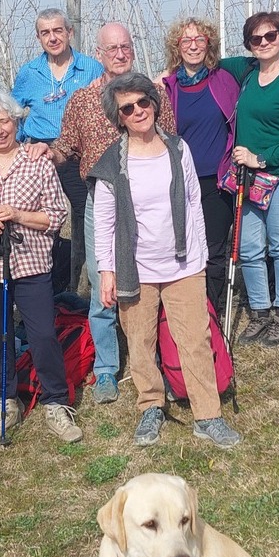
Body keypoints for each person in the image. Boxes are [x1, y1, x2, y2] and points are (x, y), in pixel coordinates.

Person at [89, 73, 241, 448]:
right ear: (119, 117)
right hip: (134, 268)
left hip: (183, 264)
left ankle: (208, 415)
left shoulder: (178, 149)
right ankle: (151, 406)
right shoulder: (112, 163)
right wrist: (106, 271)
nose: (138, 111)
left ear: (155, 104)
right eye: (128, 107)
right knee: (140, 342)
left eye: (143, 102)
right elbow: (104, 224)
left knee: (195, 339)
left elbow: (192, 201)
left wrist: (199, 253)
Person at [48, 22, 175, 404]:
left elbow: (171, 144)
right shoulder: (83, 100)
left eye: (126, 47)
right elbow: (64, 149)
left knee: (149, 281)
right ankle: (106, 367)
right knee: (102, 283)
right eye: (112, 48)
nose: (120, 54)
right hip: (99, 202)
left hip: (148, 202)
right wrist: (38, 154)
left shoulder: (154, 97)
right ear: (98, 54)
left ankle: (150, 361)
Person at [0, 92, 83, 445]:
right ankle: (4, 399)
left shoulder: (37, 163)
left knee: (41, 334)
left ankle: (56, 400)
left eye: (4, 121)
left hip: (31, 263)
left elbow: (57, 215)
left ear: (16, 121)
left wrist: (19, 216)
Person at [219, 11, 279, 346]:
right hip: (250, 175)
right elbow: (206, 61)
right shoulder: (245, 71)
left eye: (270, 36)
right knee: (248, 246)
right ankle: (259, 311)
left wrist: (261, 158)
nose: (263, 43)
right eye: (255, 39)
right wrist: (169, 74)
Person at [11, 9, 104, 292]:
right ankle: (43, 281)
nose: (53, 38)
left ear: (69, 32)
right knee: (34, 217)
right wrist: (17, 146)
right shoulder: (30, 72)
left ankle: (94, 281)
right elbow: (13, 110)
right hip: (39, 151)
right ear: (38, 37)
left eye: (58, 31)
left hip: (76, 153)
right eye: (45, 33)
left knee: (88, 212)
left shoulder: (91, 68)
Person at [159, 18, 238, 314]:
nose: (193, 46)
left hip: (217, 181)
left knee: (214, 249)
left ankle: (211, 311)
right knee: (184, 246)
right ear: (177, 48)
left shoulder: (225, 80)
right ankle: (184, 309)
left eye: (200, 40)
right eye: (186, 41)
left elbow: (261, 64)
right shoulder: (167, 88)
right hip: (180, 182)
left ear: (209, 45)